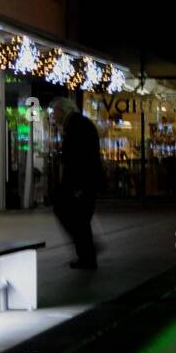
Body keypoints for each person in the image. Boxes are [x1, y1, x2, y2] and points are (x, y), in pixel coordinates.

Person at [51, 96, 103, 269]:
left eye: (55, 112)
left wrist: (76, 186)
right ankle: (87, 254)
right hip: (87, 180)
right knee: (80, 218)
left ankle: (87, 255)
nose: (54, 116)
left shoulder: (74, 126)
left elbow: (75, 158)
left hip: (80, 182)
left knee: (69, 212)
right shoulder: (79, 123)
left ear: (62, 111)